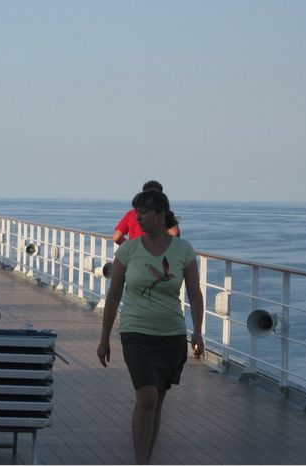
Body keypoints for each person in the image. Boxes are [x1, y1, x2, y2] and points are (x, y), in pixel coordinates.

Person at [97, 189, 204, 465]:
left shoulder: (183, 250)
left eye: (144, 212)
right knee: (147, 399)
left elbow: (194, 294)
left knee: (156, 404)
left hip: (171, 336)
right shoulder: (128, 250)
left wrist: (197, 331)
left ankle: (145, 459)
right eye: (137, 213)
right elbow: (113, 295)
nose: (138, 218)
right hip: (136, 333)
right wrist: (104, 338)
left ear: (161, 214)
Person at [113, 180, 180, 245]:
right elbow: (175, 234)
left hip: (136, 251)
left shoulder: (131, 213)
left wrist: (132, 247)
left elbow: (117, 237)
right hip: (158, 250)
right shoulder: (163, 213)